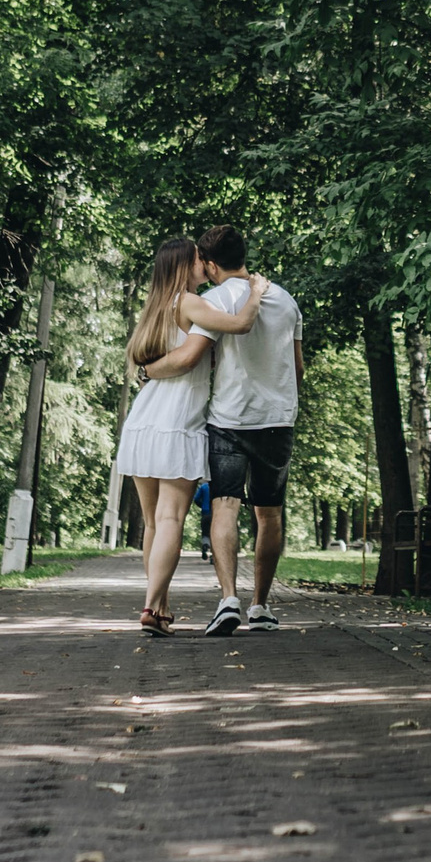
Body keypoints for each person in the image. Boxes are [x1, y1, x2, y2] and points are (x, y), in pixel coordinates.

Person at [112, 237, 270, 635]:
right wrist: (256, 292)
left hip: (144, 419)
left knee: (153, 523)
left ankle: (160, 608)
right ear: (186, 265)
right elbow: (241, 324)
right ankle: (150, 608)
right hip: (178, 420)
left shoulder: (155, 308)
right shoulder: (190, 302)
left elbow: (150, 363)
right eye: (199, 258)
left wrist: (149, 372)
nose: (206, 262)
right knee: (170, 519)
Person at [193, 224, 303, 636]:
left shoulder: (213, 300)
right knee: (269, 514)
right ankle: (261, 606)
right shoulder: (286, 300)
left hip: (229, 419)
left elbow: (199, 358)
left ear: (208, 262)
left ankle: (228, 599)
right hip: (277, 420)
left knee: (225, 506)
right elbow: (297, 367)